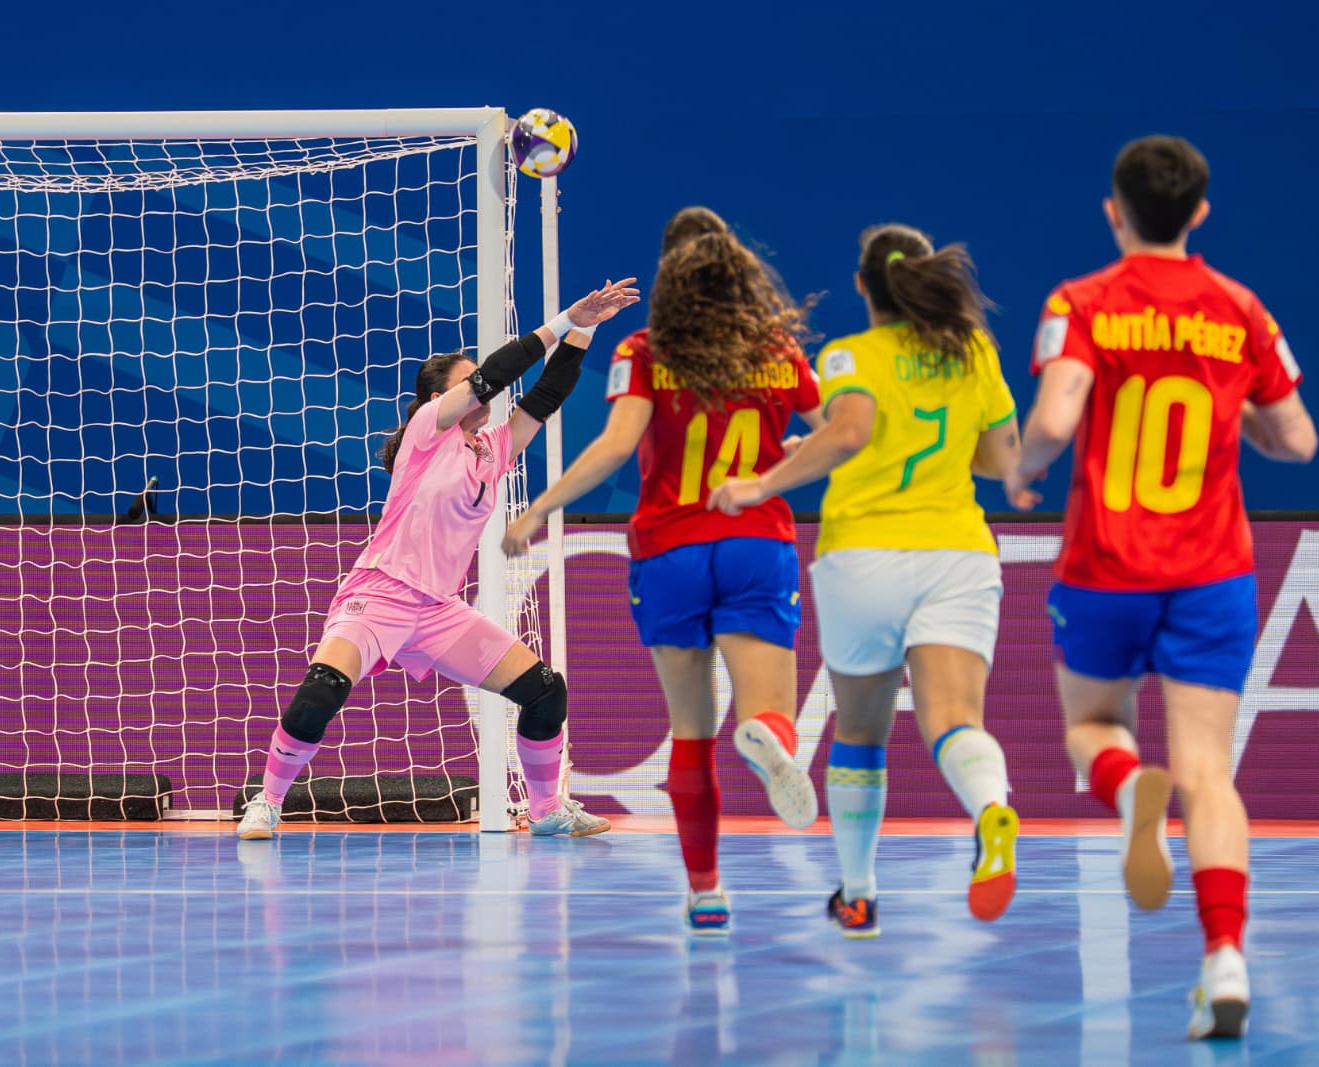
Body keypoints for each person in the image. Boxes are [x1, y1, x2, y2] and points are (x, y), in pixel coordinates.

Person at [1007, 135, 1316, 1040]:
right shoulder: (1240, 310)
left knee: (1089, 726)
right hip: (1211, 569)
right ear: (1202, 211)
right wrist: (1236, 407)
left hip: (1106, 565)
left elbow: (1059, 415)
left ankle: (1124, 782)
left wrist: (1023, 472)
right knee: (1211, 773)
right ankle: (1223, 956)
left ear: (1115, 210)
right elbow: (1298, 440)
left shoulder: (1083, 302)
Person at [503, 207, 822, 934]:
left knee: (691, 731)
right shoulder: (777, 349)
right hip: (754, 541)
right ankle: (770, 734)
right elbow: (838, 426)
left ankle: (706, 890)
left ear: (669, 276)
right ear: (737, 267)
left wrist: (537, 511)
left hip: (670, 551)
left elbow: (616, 446)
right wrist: (785, 469)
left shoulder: (646, 350)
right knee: (766, 706)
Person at [237, 277, 642, 841]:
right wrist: (561, 318)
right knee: (321, 691)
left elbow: (544, 397)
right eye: (470, 385)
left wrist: (586, 327)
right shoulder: (427, 431)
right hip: (378, 593)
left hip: (437, 610)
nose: (489, 396)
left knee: (546, 690)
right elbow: (494, 374)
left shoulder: (491, 449)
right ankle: (268, 802)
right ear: (439, 399)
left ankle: (547, 808)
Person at [711, 223, 1024, 938]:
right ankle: (990, 810)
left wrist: (764, 483)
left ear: (862, 285)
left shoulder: (849, 353)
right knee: (955, 720)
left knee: (860, 729)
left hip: (866, 558)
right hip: (957, 551)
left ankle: (858, 892)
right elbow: (1001, 460)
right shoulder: (971, 349)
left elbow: (850, 430)